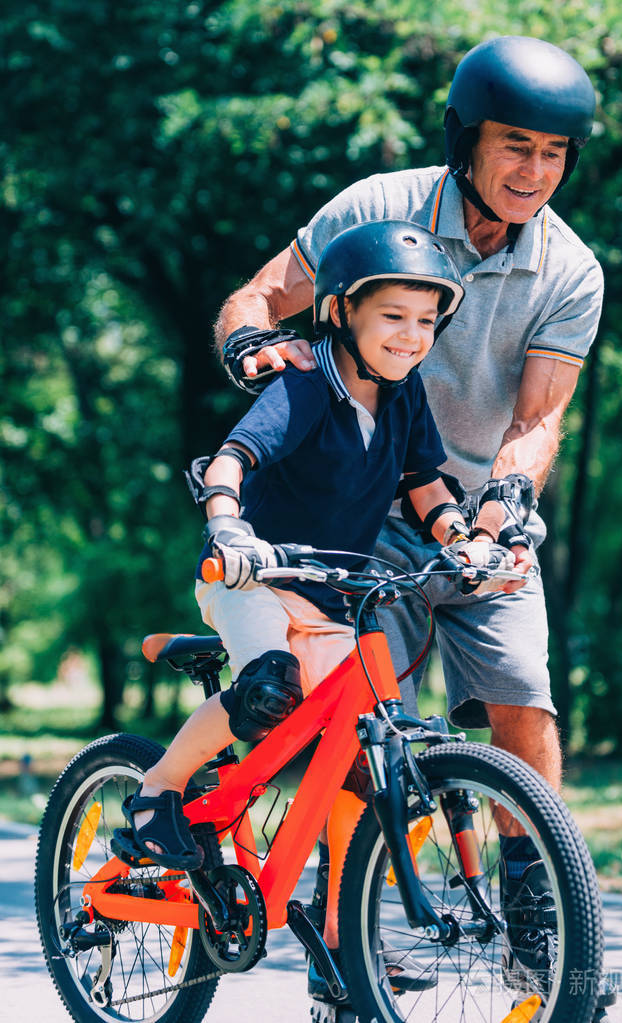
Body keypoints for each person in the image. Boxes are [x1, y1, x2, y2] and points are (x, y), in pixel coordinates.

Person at [213, 35, 615, 1016]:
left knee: (521, 702)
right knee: (361, 732)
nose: (531, 172)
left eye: (552, 153)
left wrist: (505, 502)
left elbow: (535, 419)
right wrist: (257, 351)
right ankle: (345, 957)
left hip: (467, 512)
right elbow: (258, 299)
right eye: (513, 145)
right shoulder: (371, 211)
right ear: (464, 140)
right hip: (357, 512)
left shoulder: (569, 270)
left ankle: (535, 930)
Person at [113, 218, 519, 993]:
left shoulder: (404, 398)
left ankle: (339, 937)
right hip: (252, 576)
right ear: (340, 312)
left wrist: (462, 536)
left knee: (370, 764)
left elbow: (422, 481)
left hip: (334, 596)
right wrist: (228, 524)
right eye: (392, 316)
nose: (411, 335)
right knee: (269, 684)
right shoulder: (305, 384)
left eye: (426, 320)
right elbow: (236, 455)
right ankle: (159, 789)